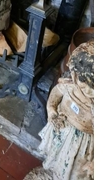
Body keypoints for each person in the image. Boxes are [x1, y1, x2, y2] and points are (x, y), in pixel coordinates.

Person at [34, 40, 94, 180]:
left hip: (82, 145)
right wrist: (51, 110)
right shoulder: (70, 85)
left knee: (73, 172)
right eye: (82, 81)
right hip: (63, 129)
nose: (87, 89)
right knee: (55, 158)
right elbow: (56, 93)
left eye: (93, 87)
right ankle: (53, 174)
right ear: (74, 74)